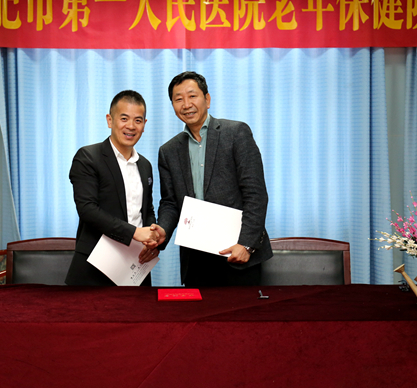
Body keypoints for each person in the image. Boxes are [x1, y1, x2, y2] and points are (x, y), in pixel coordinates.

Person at [154, 71, 272, 286]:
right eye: (178, 99)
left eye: (192, 96)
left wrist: (246, 245)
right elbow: (170, 203)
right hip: (195, 260)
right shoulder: (168, 151)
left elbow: (255, 193)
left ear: (207, 99)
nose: (186, 104)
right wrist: (162, 230)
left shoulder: (236, 133)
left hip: (238, 255)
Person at [65, 90, 164, 286]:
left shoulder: (145, 165)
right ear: (110, 120)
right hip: (94, 268)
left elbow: (146, 210)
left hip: (136, 265)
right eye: (124, 118)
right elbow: (87, 210)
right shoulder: (88, 157)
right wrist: (135, 233)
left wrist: (152, 236)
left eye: (138, 120)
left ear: (144, 124)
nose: (131, 126)